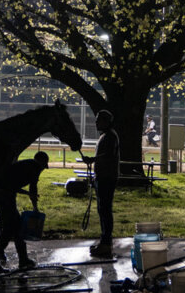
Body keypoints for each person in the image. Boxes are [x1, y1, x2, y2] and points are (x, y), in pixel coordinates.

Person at [0, 151, 49, 272]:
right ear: (42, 163)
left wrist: (27, 193)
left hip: (2, 192)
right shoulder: (35, 167)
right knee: (10, 227)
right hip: (4, 194)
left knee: (17, 226)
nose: (42, 170)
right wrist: (35, 208)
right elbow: (33, 189)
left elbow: (12, 183)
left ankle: (23, 259)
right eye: (43, 167)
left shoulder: (27, 164)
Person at [81, 109, 120, 258]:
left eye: (99, 120)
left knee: (104, 211)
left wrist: (92, 160)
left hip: (106, 178)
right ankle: (104, 242)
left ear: (106, 121)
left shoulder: (110, 136)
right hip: (103, 177)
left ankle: (106, 244)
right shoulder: (107, 136)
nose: (96, 122)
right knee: (103, 210)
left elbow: (108, 156)